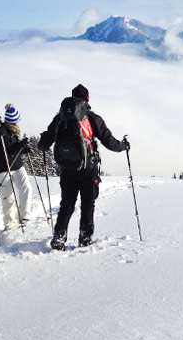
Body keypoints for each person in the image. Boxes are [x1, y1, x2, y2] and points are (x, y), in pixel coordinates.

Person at [38, 84, 129, 250]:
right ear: (87, 99)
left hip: (66, 169)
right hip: (88, 169)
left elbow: (45, 142)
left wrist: (43, 142)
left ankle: (59, 238)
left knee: (67, 204)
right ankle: (85, 239)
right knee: (88, 204)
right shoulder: (92, 118)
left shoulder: (60, 118)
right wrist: (123, 146)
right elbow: (109, 142)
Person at [0, 104, 33, 230]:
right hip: (3, 168)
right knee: (9, 198)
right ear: (12, 121)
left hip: (17, 166)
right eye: (17, 121)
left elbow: (15, 150)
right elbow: (7, 151)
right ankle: (9, 223)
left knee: (26, 188)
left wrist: (23, 148)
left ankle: (25, 216)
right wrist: (20, 146)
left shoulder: (15, 132)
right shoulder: (2, 133)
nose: (18, 123)